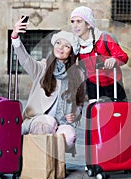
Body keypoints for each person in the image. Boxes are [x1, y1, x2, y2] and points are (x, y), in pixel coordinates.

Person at [11, 17, 85, 153]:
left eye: (66, 46)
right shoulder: (43, 67)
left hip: (62, 122)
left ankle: (51, 163)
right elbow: (25, 59)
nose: (61, 48)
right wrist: (15, 37)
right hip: (38, 120)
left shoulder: (77, 74)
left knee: (69, 136)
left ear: (71, 53)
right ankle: (36, 159)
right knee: (48, 123)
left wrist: (75, 115)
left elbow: (79, 102)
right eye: (58, 43)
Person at [70, 6, 128, 103]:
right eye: (72, 21)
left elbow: (123, 56)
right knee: (95, 113)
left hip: (112, 83)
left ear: (88, 24)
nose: (75, 25)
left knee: (118, 112)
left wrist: (114, 59)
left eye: (79, 21)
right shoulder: (76, 44)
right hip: (93, 84)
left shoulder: (104, 38)